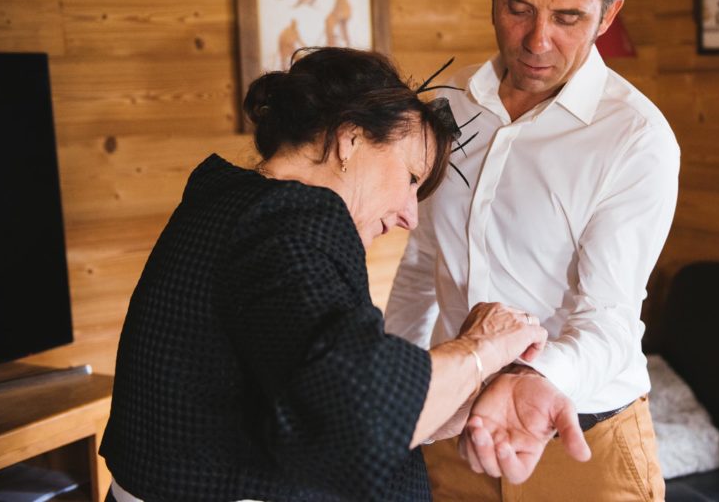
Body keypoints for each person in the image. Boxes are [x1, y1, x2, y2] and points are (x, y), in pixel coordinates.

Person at [100, 47, 588, 502]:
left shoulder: (228, 201)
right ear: (350, 139)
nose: (409, 217)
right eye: (411, 178)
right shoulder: (293, 217)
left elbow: (307, 406)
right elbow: (357, 416)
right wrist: (480, 348)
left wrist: (459, 398)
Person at [385, 0, 680, 500]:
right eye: (517, 7)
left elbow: (609, 318)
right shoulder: (446, 109)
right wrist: (394, 398)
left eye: (569, 17)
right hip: (453, 434)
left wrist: (534, 376)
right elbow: (421, 265)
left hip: (584, 446)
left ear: (609, 13)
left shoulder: (637, 139)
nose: (537, 40)